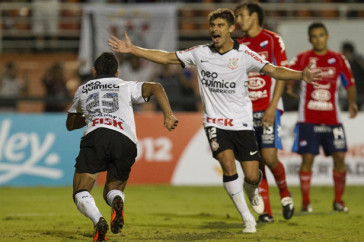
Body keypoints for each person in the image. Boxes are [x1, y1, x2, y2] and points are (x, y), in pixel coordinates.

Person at [108, 8, 320, 233]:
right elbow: (167, 57)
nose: (215, 30)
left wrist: (301, 75)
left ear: (231, 28)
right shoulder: (200, 53)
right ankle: (247, 218)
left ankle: (251, 189)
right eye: (213, 26)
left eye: (220, 26)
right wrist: (133, 50)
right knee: (228, 166)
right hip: (215, 123)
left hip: (242, 123)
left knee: (251, 175)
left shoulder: (244, 54)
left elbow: (274, 71)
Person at [66, 52, 178, 241]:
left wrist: (91, 113)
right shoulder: (125, 85)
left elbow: (70, 125)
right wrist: (168, 115)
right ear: (116, 73)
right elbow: (156, 88)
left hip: (97, 135)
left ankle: (98, 220)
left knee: (81, 191)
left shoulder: (83, 89)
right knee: (112, 189)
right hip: (125, 139)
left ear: (94, 71)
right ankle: (117, 200)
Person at [288, 22, 358, 213]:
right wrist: (289, 87)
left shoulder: (338, 59)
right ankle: (306, 203)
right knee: (307, 159)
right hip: (308, 119)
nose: (318, 39)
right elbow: (289, 74)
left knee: (340, 158)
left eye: (321, 35)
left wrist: (352, 103)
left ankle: (338, 201)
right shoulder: (303, 58)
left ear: (327, 36)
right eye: (314, 36)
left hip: (332, 120)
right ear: (310, 39)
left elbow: (349, 83)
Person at [234, 2, 294, 223]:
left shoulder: (272, 39)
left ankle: (285, 194)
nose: (238, 20)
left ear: (254, 16)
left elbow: (280, 73)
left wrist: (272, 106)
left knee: (269, 157)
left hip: (268, 108)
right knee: (256, 161)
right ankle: (266, 211)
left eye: (241, 15)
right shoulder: (238, 45)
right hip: (245, 112)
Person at [341, 42, 364, 109]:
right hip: (347, 93)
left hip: (359, 92)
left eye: (345, 52)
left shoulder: (359, 60)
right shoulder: (342, 62)